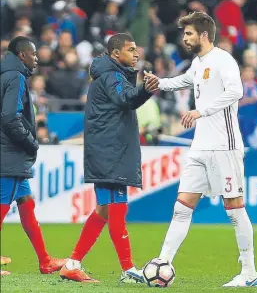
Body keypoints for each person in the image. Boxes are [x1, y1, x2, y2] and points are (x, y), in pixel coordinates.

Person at [144, 12, 257, 288]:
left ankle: (249, 272)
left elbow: (236, 92)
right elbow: (182, 80)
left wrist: (200, 112)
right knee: (182, 206)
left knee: (233, 208)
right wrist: (158, 83)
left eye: (189, 34)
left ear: (204, 35)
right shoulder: (198, 63)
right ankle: (163, 262)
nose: (185, 38)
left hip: (224, 147)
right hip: (200, 147)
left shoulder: (224, 60)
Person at [59, 33, 159, 283]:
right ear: (116, 54)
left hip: (108, 151)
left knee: (105, 210)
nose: (136, 54)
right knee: (116, 209)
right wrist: (145, 90)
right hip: (110, 153)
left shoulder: (110, 74)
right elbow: (125, 99)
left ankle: (72, 264)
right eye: (131, 49)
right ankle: (128, 270)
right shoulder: (112, 76)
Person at [0, 36, 66, 276]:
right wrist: (30, 142)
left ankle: (45, 260)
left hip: (8, 153)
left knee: (26, 204)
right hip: (10, 153)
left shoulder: (4, 75)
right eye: (34, 54)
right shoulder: (15, 77)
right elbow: (9, 117)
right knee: (2, 205)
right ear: (22, 55)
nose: (37, 58)